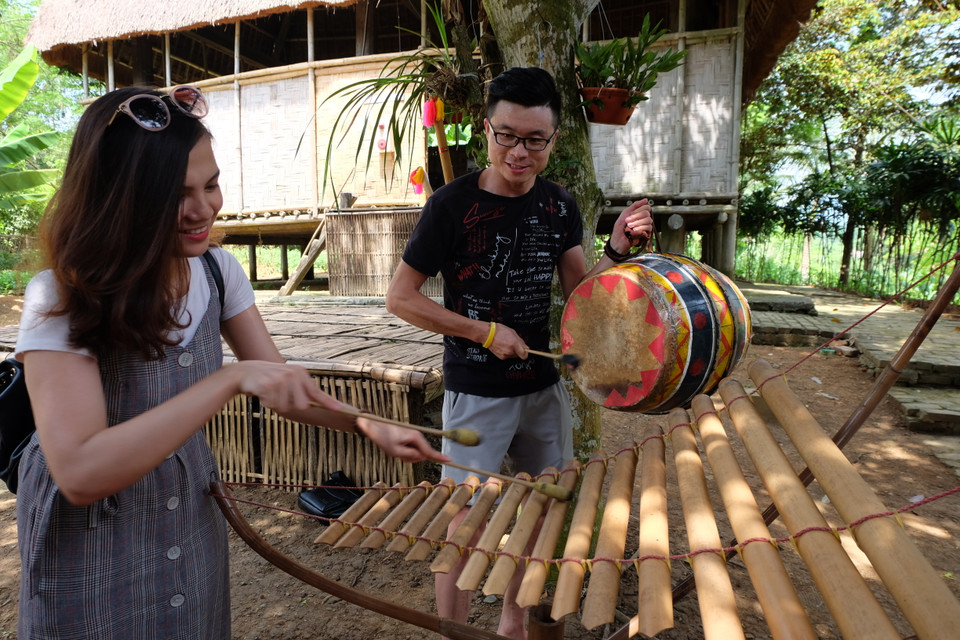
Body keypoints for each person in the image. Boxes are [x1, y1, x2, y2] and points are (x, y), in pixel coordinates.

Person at [14, 85, 447, 639]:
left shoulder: (217, 272)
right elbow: (79, 472)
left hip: (186, 525)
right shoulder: (60, 297)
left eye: (211, 184)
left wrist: (366, 424)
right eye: (177, 193)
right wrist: (229, 379)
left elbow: (279, 381)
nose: (204, 209)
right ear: (124, 196)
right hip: (91, 543)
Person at [385, 67, 653, 639]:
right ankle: (454, 632)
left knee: (541, 506)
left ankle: (513, 626)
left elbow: (584, 299)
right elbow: (401, 298)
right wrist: (482, 332)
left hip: (542, 389)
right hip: (476, 392)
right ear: (487, 129)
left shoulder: (559, 207)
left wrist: (618, 249)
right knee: (464, 518)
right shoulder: (449, 205)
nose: (519, 151)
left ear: (554, 140)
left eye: (535, 139)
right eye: (506, 135)